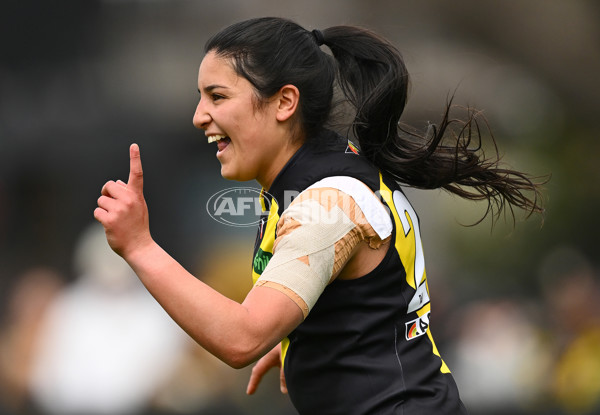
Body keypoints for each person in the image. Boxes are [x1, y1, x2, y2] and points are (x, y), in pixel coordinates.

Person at [94, 17, 544, 414]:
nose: (199, 116)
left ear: (285, 102)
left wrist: (140, 247)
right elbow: (370, 300)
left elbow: (242, 339)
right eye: (200, 97)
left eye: (217, 95)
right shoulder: (319, 179)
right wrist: (306, 337)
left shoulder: (328, 203)